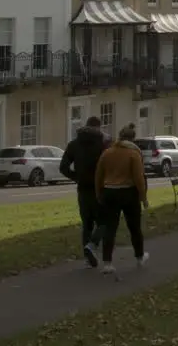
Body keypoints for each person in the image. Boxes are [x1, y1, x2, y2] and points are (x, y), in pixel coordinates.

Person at [93, 122, 150, 274]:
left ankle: (107, 263)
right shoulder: (133, 154)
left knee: (110, 227)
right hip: (128, 192)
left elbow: (98, 175)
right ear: (132, 139)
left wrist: (99, 193)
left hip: (109, 192)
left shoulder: (107, 153)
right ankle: (139, 256)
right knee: (134, 227)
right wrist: (143, 197)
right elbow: (138, 178)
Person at [59, 115, 107, 268]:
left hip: (83, 188)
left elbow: (63, 167)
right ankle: (92, 245)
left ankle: (87, 257)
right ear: (99, 127)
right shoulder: (103, 144)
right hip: (100, 188)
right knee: (105, 221)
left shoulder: (74, 144)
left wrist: (76, 177)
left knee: (87, 224)